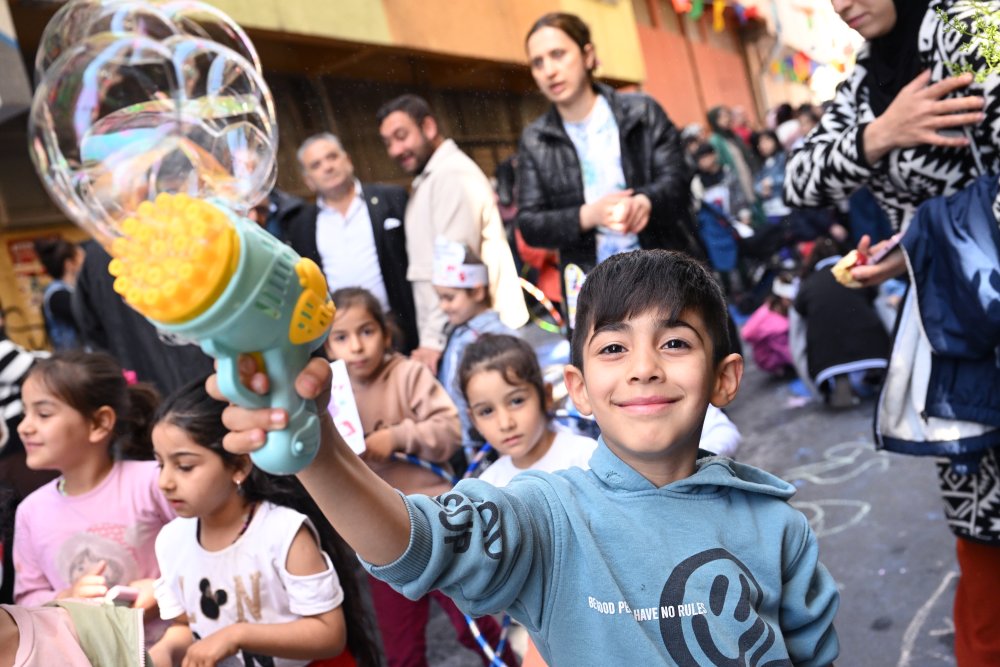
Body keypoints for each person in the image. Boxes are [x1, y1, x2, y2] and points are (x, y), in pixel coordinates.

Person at [215, 249, 840, 665]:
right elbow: (416, 542)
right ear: (579, 389)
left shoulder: (778, 527)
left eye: (674, 342)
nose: (645, 368)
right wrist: (315, 444)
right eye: (615, 349)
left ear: (726, 379)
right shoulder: (547, 517)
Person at [784, 2, 1000, 661]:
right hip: (955, 335)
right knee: (983, 531)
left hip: (978, 306)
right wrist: (881, 133)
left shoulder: (966, 33)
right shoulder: (865, 80)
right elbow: (800, 179)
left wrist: (930, 240)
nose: (845, 3)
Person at [323, 287, 518, 667]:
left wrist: (396, 437)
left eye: (367, 331)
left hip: (438, 523)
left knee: (473, 624)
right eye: (341, 337)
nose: (357, 347)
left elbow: (449, 432)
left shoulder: (408, 375)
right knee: (402, 647)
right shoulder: (332, 395)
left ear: (385, 332)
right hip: (381, 535)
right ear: (328, 347)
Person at [148, 378, 379, 667]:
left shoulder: (282, 533)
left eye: (184, 466)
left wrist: (238, 635)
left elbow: (329, 634)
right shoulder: (171, 542)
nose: (164, 482)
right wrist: (164, 652)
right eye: (160, 463)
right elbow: (185, 625)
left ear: (239, 466)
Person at [516, 13, 700, 331]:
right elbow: (530, 224)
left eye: (558, 54)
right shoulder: (535, 139)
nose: (549, 70)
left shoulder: (641, 111)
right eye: (538, 62)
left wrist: (646, 201)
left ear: (587, 55)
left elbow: (679, 180)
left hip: (665, 274)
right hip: (593, 291)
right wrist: (590, 215)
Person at [11, 351, 172, 641]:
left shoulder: (153, 481)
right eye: (25, 413)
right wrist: (68, 598)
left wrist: (163, 590)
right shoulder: (30, 512)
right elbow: (26, 599)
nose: (24, 426)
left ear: (99, 423)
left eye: (43, 414)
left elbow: (205, 544)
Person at [376, 95, 528, 372]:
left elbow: (454, 268)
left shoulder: (451, 176)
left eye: (401, 136)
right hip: (460, 331)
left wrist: (433, 340)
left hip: (477, 333)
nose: (395, 150)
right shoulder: (433, 178)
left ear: (429, 127)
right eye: (387, 143)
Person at [286, 133, 418, 354]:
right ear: (308, 180)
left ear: (347, 160)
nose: (327, 167)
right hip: (345, 341)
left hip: (402, 330)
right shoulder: (301, 226)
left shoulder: (390, 199)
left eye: (332, 157)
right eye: (316, 165)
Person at [72, 240, 215, 397]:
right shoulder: (187, 233)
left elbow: (90, 329)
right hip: (204, 378)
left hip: (141, 384)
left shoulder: (97, 255)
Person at [458, 333, 596, 488]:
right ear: (474, 420)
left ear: (546, 396)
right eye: (487, 411)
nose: (505, 424)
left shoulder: (587, 458)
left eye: (516, 401)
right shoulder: (488, 487)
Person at [432, 240, 515, 462]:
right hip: (463, 441)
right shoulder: (458, 331)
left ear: (477, 291)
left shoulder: (497, 337)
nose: (443, 306)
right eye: (440, 298)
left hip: (486, 444)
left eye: (449, 298)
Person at [741, 275, 797, 378]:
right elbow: (789, 354)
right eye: (790, 299)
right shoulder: (778, 327)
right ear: (781, 298)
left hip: (760, 354)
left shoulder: (767, 307)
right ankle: (781, 369)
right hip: (768, 359)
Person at [32, 239, 84, 351]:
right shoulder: (58, 296)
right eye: (81, 259)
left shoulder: (69, 290)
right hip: (76, 362)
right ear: (69, 264)